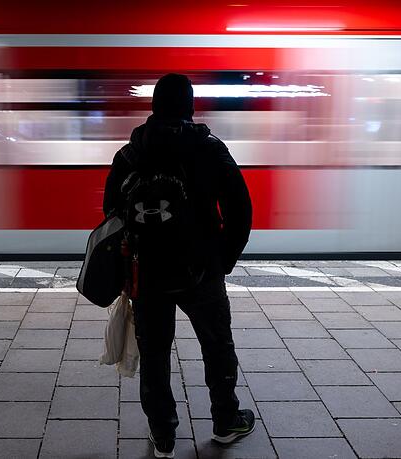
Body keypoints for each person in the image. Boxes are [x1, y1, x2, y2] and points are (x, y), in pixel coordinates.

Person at [102, 73, 253, 458]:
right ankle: (225, 421)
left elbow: (111, 214)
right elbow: (241, 208)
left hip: (148, 273)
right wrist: (223, 260)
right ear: (190, 106)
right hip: (202, 269)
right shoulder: (210, 149)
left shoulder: (129, 154)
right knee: (217, 344)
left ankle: (163, 435)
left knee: (154, 353)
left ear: (153, 107)